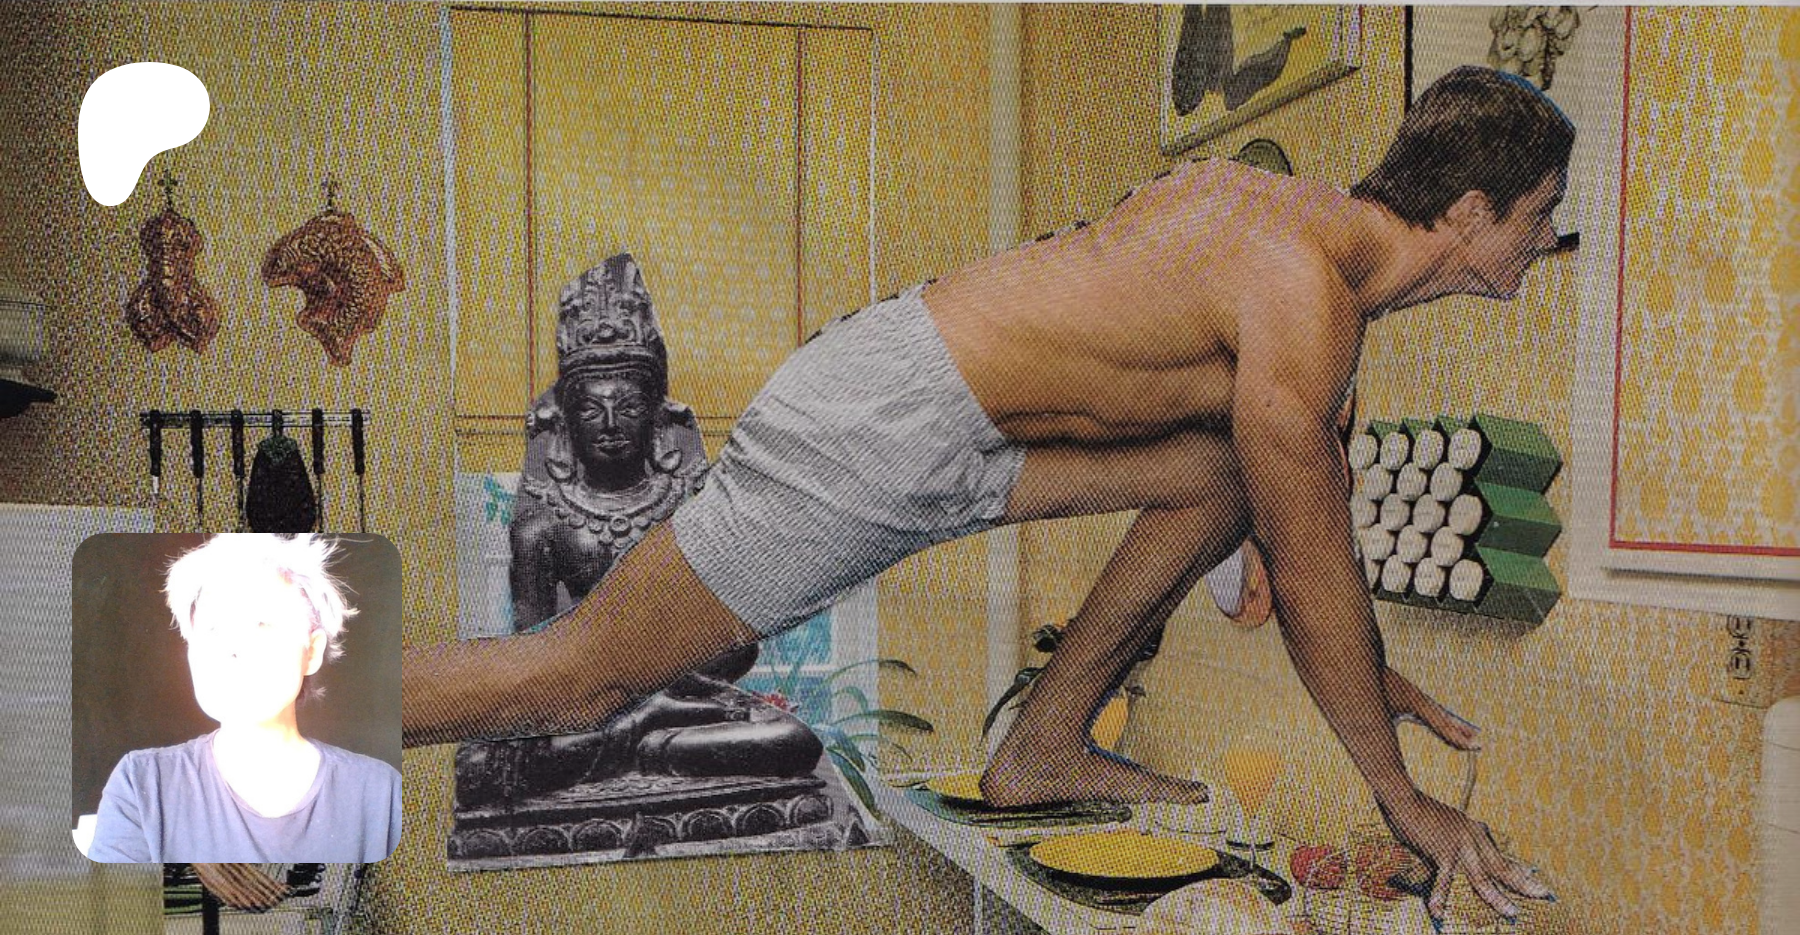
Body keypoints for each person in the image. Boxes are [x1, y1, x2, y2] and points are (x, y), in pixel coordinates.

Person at [404, 66, 1567, 924]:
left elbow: (1283, 514)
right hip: (881, 424)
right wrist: (1401, 796)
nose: (1548, 236)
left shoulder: (1272, 224)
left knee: (1229, 469)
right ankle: (285, 707)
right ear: (1472, 210)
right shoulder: (1303, 294)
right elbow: (1310, 567)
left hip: (939, 423)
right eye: (1541, 211)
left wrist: (1362, 670)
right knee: (578, 677)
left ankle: (1044, 742)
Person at [87, 534, 401, 863]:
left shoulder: (381, 794)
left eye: (261, 624)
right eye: (212, 629)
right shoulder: (143, 785)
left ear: (312, 652)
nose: (233, 648)